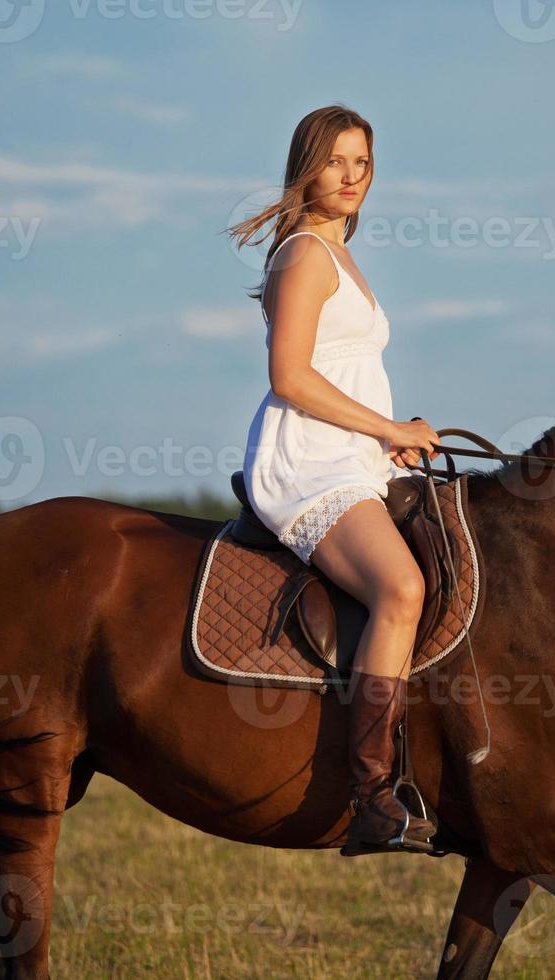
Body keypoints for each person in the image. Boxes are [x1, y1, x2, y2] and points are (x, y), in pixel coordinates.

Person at [226, 105, 440, 854]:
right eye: (336, 161)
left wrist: (391, 439)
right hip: (309, 462)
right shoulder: (305, 255)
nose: (351, 177)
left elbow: (348, 370)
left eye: (363, 163)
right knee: (402, 589)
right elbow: (289, 375)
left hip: (355, 456)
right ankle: (373, 793)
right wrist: (385, 430)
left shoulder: (341, 254)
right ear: (306, 167)